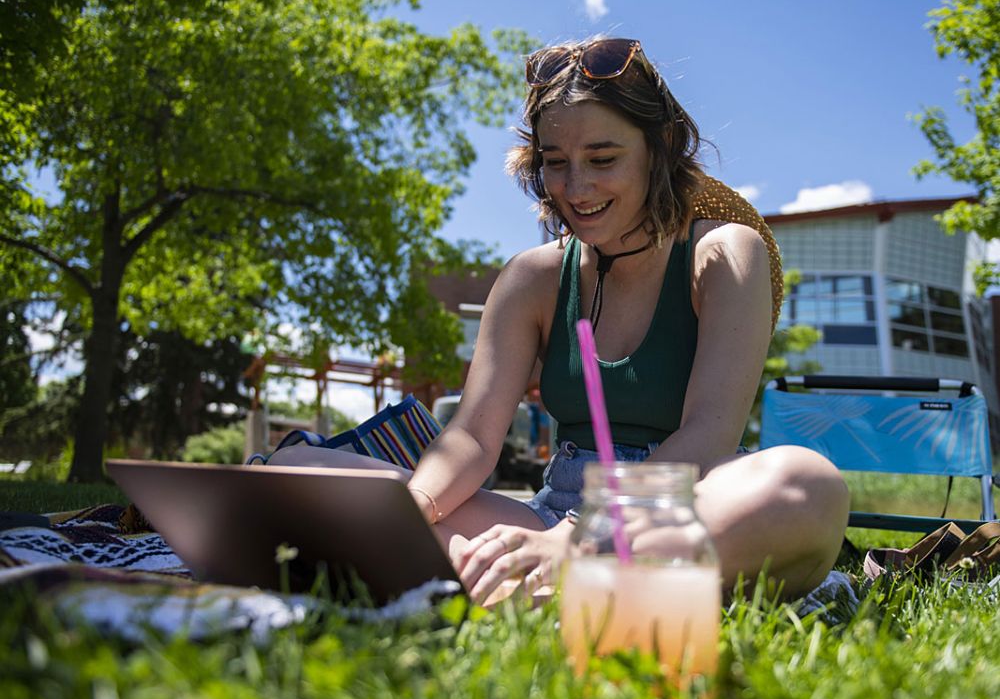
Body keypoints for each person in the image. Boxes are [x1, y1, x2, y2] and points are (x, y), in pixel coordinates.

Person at [269, 37, 849, 605]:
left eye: (603, 159)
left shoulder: (723, 254)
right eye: (555, 163)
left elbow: (709, 434)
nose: (576, 188)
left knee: (807, 484)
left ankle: (556, 575)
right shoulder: (533, 278)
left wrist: (579, 542)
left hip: (689, 503)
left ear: (662, 146)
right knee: (295, 468)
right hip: (556, 512)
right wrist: (418, 503)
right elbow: (471, 435)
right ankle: (566, 581)